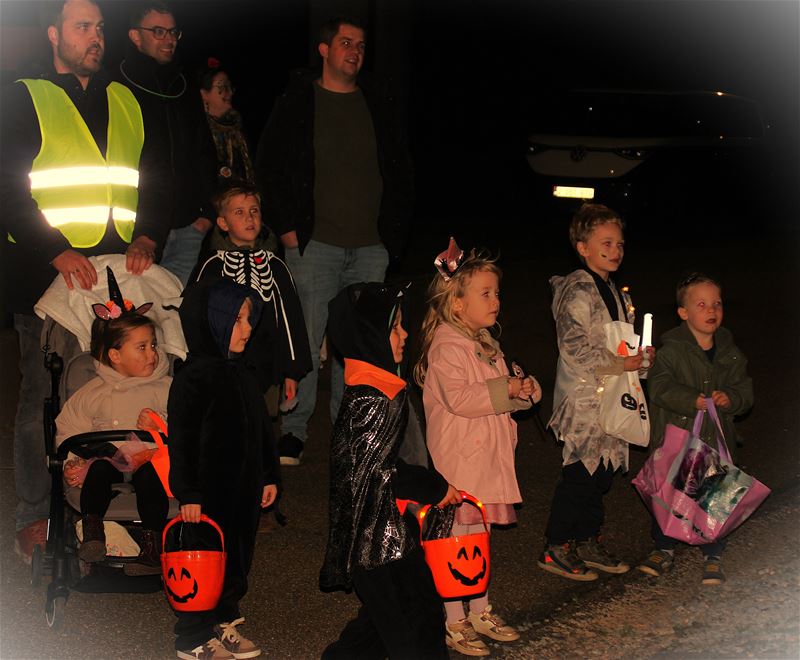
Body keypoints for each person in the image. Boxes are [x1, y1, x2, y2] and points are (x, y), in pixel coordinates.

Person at [1, 0, 166, 565]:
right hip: (47, 273)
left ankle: (116, 511)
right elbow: (8, 188)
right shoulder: (23, 97)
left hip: (121, 275)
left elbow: (154, 179)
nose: (95, 36)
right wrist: (55, 249)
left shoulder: (127, 98)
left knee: (124, 389)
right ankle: (34, 517)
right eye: (81, 27)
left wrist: (149, 235)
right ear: (53, 34)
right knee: (43, 396)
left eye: (99, 27)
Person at [256, 16, 414, 466]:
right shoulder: (298, 101)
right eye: (346, 43)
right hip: (315, 244)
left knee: (359, 345)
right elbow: (269, 165)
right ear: (324, 50)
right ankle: (294, 430)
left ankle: (351, 432)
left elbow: (400, 168)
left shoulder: (376, 101)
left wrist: (393, 235)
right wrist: (286, 227)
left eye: (361, 45)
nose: (355, 51)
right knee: (305, 341)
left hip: (370, 246)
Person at [320, 281, 461, 660]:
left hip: (388, 533)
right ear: (370, 336)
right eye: (394, 327)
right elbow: (379, 471)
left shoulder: (378, 389)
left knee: (382, 623)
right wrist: (434, 487)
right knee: (417, 621)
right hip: (379, 543)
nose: (405, 334)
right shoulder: (372, 399)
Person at [415, 238, 540, 656]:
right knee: (455, 543)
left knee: (477, 542)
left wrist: (524, 392)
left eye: (497, 292)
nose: (496, 301)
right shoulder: (446, 347)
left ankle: (480, 609)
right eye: (485, 293)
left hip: (485, 460)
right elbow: (462, 399)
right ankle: (454, 620)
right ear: (457, 304)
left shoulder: (485, 344)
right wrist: (507, 388)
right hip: (461, 463)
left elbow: (499, 396)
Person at [538, 203, 652, 581]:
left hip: (611, 396)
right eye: (606, 243)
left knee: (601, 474)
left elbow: (621, 347)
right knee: (580, 474)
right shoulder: (577, 289)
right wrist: (622, 363)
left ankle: (587, 539)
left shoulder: (615, 292)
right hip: (584, 399)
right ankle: (556, 545)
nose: (616, 250)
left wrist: (640, 359)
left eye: (620, 243)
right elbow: (574, 347)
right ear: (583, 247)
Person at [168, 278, 278, 659]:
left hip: (243, 489)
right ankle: (193, 635)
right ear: (213, 322)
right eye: (238, 320)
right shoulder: (193, 378)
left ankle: (224, 618)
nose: (248, 329)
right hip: (207, 494)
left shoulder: (243, 372)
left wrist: (269, 475)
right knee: (202, 562)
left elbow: (262, 428)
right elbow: (181, 439)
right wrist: (188, 492)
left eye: (249, 319)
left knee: (236, 558)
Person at [637, 273, 753, 585]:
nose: (711, 310)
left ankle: (713, 552)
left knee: (713, 497)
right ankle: (663, 547)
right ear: (683, 313)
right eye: (701, 304)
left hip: (715, 436)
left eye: (717, 303)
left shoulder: (729, 351)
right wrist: (691, 400)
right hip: (679, 436)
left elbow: (744, 389)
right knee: (669, 495)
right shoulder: (671, 351)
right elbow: (659, 387)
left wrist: (731, 398)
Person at [56, 268, 170, 575]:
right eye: (142, 347)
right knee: (99, 470)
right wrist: (71, 460)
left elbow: (186, 425)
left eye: (153, 345)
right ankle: (94, 533)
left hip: (151, 459)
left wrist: (160, 424)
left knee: (150, 479)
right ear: (115, 356)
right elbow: (69, 427)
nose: (152, 354)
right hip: (107, 458)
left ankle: (152, 547)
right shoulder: (94, 391)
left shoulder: (165, 388)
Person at [118, 1, 218, 286]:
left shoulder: (184, 85)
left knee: (176, 310)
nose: (169, 39)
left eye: (173, 32)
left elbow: (204, 150)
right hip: (137, 233)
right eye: (159, 32)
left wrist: (206, 214)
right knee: (136, 311)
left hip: (188, 227)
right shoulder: (116, 85)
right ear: (135, 36)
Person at [190, 182, 311, 397]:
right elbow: (194, 316)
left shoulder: (276, 266)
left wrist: (291, 371)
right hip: (219, 368)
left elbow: (290, 319)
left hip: (267, 366)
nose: (249, 218)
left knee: (262, 414)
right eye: (239, 212)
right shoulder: (212, 265)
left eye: (254, 211)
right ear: (223, 223)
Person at [197, 58, 255, 185]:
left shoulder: (238, 126)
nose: (229, 92)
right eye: (222, 87)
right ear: (204, 94)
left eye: (229, 86)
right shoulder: (198, 131)